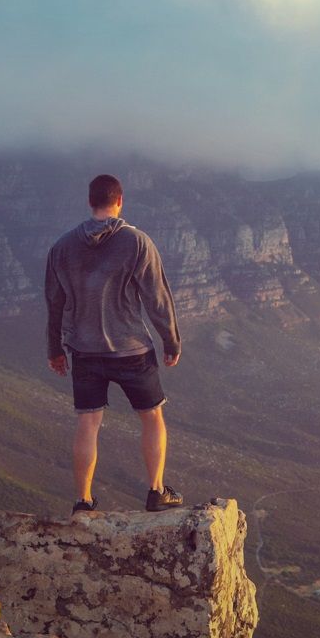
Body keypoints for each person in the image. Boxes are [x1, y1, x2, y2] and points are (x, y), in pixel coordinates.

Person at [44, 173, 184, 514]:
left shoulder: (62, 246)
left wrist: (55, 349)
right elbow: (157, 297)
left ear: (90, 202)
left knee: (88, 423)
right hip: (132, 349)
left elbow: (54, 302)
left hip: (84, 350)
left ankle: (83, 501)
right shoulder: (136, 242)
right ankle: (155, 491)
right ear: (120, 201)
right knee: (152, 417)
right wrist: (171, 340)